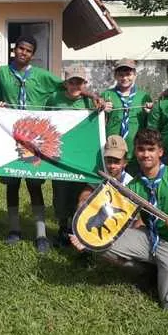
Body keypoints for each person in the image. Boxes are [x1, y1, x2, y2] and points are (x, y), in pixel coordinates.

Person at [70, 129, 168, 310]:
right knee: (102, 244)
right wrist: (86, 239)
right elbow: (111, 218)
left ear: (160, 152)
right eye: (141, 149)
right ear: (135, 153)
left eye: (151, 149)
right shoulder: (133, 187)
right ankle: (149, 273)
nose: (146, 154)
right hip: (151, 239)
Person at [0, 36, 63, 249]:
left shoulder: (42, 76)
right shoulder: (2, 72)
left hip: (34, 140)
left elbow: (67, 86)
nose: (23, 52)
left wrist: (90, 94)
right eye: (21, 48)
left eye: (28, 50)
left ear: (33, 54)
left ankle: (41, 234)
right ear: (14, 50)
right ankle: (14, 229)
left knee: (34, 184)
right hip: (10, 136)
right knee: (12, 184)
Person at [45, 64, 100, 251]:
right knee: (60, 192)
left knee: (79, 192)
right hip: (60, 155)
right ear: (66, 82)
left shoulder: (89, 102)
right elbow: (45, 118)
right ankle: (62, 228)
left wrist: (93, 97)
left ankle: (78, 230)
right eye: (72, 81)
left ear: (84, 83)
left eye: (80, 82)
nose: (76, 85)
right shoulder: (55, 98)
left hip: (82, 155)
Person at [102, 59, 152, 165]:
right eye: (121, 75)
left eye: (128, 74)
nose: (124, 78)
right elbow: (97, 122)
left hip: (136, 150)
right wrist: (102, 111)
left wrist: (150, 113)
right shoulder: (107, 95)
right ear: (115, 76)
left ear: (135, 75)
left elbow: (151, 123)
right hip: (112, 150)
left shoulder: (144, 96)